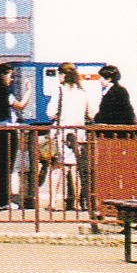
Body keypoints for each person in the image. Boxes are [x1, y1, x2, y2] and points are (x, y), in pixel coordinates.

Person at [41, 62, 94, 211]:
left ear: (62, 75)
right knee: (75, 170)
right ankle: (76, 203)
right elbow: (91, 114)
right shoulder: (83, 92)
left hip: (62, 134)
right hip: (79, 135)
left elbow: (50, 113)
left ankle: (53, 203)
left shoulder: (60, 90)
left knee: (57, 169)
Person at [0, 63, 29, 209]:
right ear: (2, 75)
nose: (12, 79)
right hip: (7, 131)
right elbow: (20, 106)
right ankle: (4, 200)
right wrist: (29, 91)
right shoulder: (5, 93)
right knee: (7, 166)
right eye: (10, 75)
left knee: (0, 165)